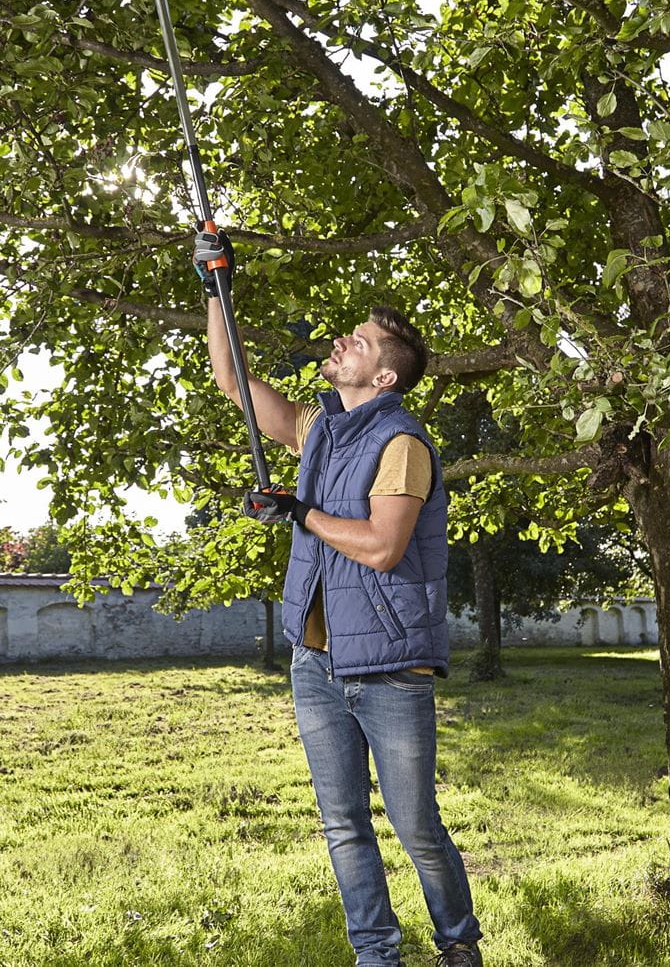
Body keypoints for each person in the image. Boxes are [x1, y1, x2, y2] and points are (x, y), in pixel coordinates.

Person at [202, 265, 482, 967]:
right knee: (344, 825)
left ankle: (458, 946)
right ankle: (376, 956)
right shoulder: (322, 429)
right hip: (317, 663)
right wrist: (214, 286)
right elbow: (234, 383)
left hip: (389, 668)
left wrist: (301, 512)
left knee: (416, 828)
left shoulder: (403, 446)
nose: (339, 343)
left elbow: (384, 548)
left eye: (356, 342)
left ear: (384, 377)